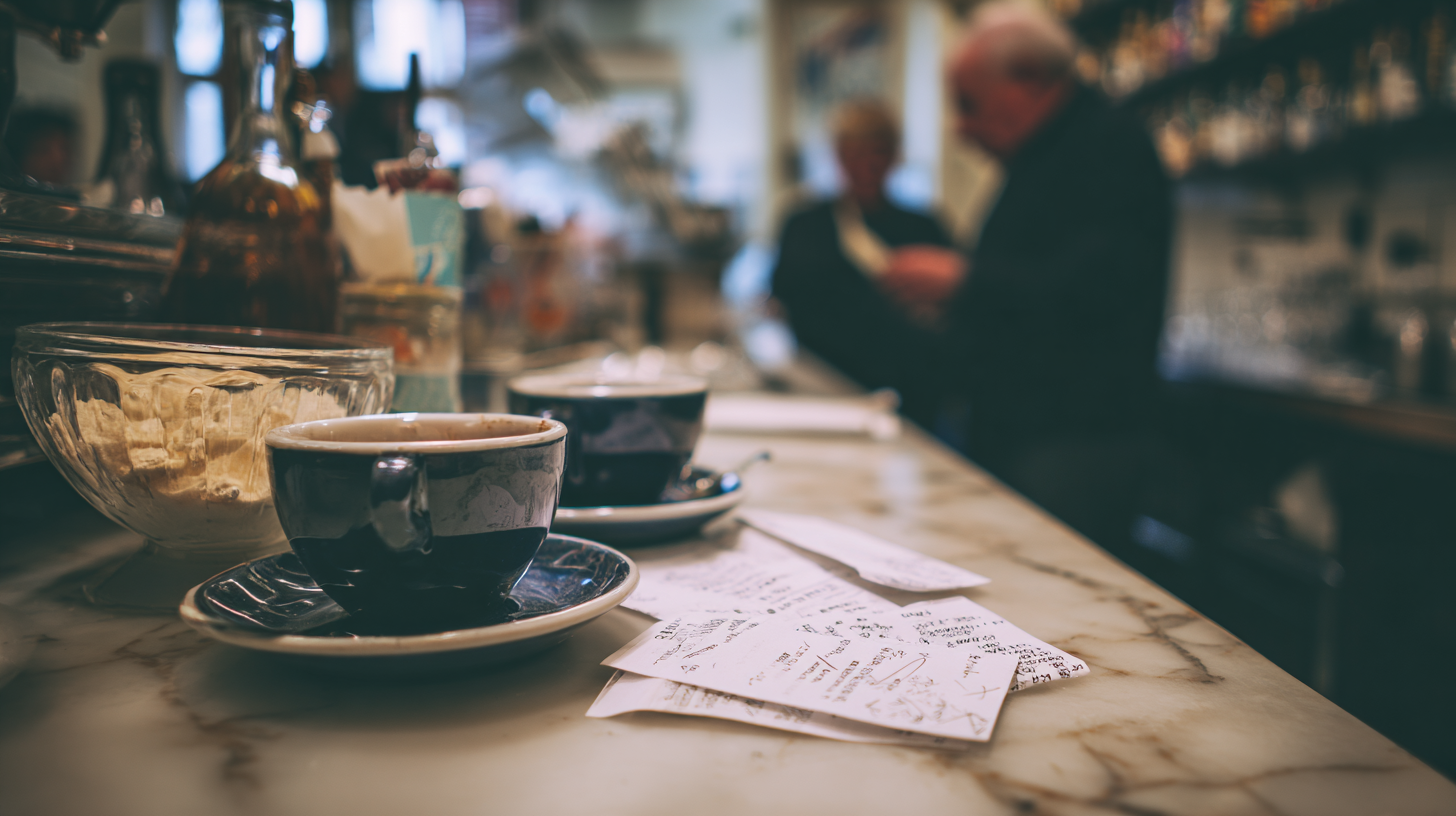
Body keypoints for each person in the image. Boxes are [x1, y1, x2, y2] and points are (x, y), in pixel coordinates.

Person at [886, 3, 1174, 547]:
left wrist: (963, 282)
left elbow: (1100, 291)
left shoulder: (1108, 146)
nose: (962, 127)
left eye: (968, 104)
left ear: (1026, 82)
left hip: (1075, 440)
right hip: (1033, 435)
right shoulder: (1047, 156)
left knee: (1059, 617)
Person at [770, 99, 960, 426]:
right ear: (838, 156)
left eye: (878, 153)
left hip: (909, 391)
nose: (867, 165)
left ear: (895, 156)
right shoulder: (805, 224)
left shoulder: (923, 227)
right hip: (823, 388)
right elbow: (781, 296)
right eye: (854, 154)